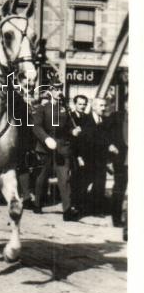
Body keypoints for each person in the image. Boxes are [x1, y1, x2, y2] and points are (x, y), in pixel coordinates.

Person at [32, 79, 81, 221]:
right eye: (56, 89)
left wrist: (73, 131)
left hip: (62, 146)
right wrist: (46, 138)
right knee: (42, 176)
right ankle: (37, 203)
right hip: (46, 146)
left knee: (64, 178)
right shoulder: (42, 108)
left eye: (60, 89)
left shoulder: (65, 108)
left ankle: (67, 210)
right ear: (50, 91)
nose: (59, 92)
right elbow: (36, 127)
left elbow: (69, 126)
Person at [77, 96, 118, 217]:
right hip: (88, 157)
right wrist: (79, 156)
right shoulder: (85, 120)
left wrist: (109, 146)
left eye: (105, 105)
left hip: (101, 158)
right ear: (94, 107)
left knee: (99, 184)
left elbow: (106, 137)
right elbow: (81, 140)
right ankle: (80, 208)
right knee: (84, 184)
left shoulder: (105, 120)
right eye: (101, 105)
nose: (104, 108)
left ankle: (96, 210)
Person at [109, 95, 128, 230]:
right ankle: (116, 218)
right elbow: (102, 131)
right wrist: (109, 144)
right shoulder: (116, 116)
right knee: (120, 187)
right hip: (121, 158)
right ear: (126, 104)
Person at [70, 94, 91, 215]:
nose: (82, 106)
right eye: (80, 104)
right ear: (75, 104)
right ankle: (74, 205)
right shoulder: (70, 117)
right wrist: (78, 156)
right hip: (74, 153)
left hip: (86, 153)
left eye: (84, 104)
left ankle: (81, 204)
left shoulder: (88, 118)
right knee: (76, 179)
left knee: (85, 179)